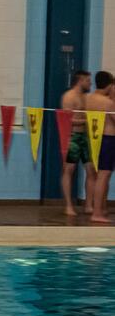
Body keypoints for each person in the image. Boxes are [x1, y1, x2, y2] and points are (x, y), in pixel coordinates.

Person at [60, 70, 94, 216]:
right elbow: (67, 119)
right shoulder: (69, 97)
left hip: (85, 137)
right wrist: (87, 120)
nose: (90, 84)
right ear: (80, 80)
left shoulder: (86, 97)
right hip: (72, 137)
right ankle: (68, 206)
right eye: (88, 81)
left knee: (92, 171)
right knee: (69, 170)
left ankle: (88, 205)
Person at [84, 72, 115, 224]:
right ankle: (97, 212)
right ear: (109, 85)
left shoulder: (89, 100)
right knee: (103, 176)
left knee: (97, 176)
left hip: (93, 139)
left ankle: (98, 209)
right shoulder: (107, 103)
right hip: (107, 140)